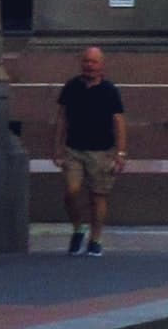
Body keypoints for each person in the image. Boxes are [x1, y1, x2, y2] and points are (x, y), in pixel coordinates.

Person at [54, 44, 126, 257]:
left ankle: (95, 239)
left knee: (98, 195)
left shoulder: (110, 90)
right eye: (86, 61)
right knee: (71, 191)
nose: (89, 66)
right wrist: (57, 147)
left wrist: (121, 153)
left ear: (101, 65)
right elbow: (61, 118)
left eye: (93, 62)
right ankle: (78, 228)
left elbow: (119, 121)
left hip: (102, 151)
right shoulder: (72, 86)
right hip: (74, 149)